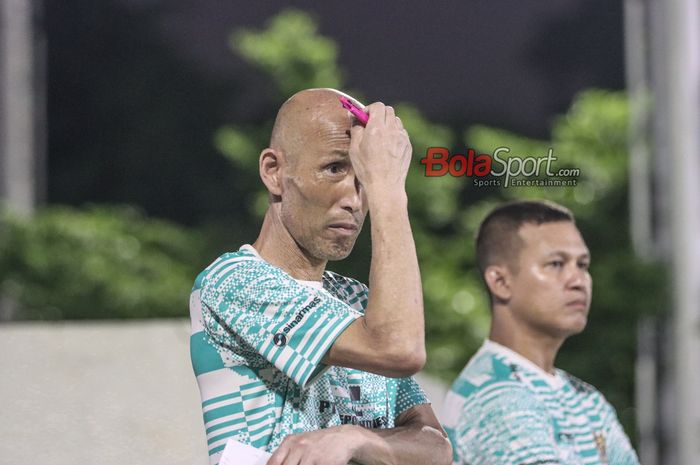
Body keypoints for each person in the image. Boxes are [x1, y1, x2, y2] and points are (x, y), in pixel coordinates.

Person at [189, 88, 451, 465]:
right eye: (334, 169)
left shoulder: (357, 300)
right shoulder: (233, 281)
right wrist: (388, 189)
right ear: (273, 171)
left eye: (364, 177)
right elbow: (399, 348)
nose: (357, 199)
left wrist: (354, 439)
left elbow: (436, 448)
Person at [442, 200, 640, 465]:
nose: (578, 280)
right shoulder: (497, 397)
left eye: (582, 265)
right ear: (500, 281)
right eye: (557, 264)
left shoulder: (587, 399)